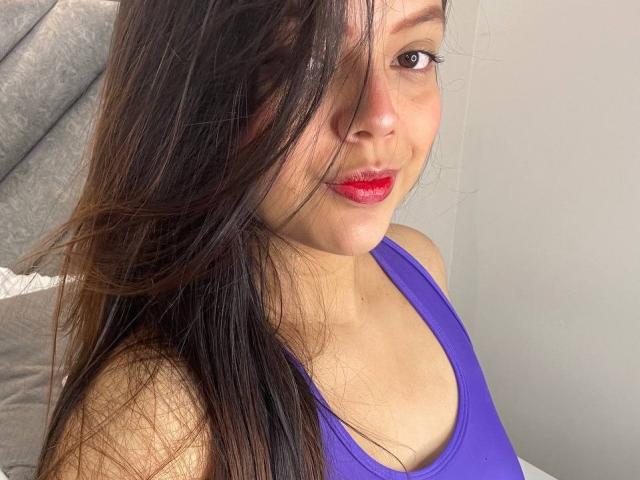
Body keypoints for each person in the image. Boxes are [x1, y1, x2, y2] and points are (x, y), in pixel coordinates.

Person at [20, 0, 524, 478]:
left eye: (411, 57)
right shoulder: (151, 422)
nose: (380, 118)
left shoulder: (420, 264)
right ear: (190, 91)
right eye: (303, 62)